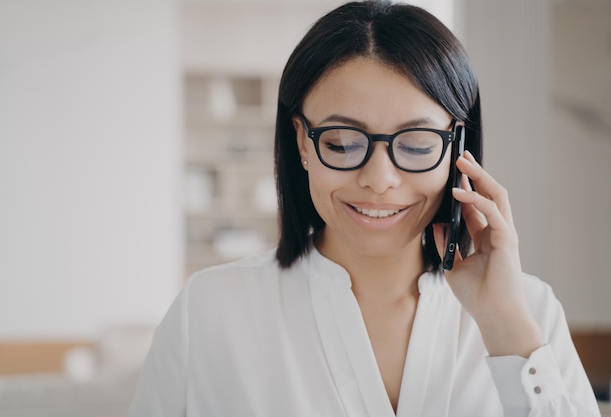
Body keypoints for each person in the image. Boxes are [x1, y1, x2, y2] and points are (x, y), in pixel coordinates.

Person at [129, 1, 600, 416]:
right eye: (342, 141)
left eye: (416, 144)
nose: (379, 179)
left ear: (457, 146)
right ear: (302, 142)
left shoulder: (529, 311)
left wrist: (505, 327)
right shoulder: (210, 311)